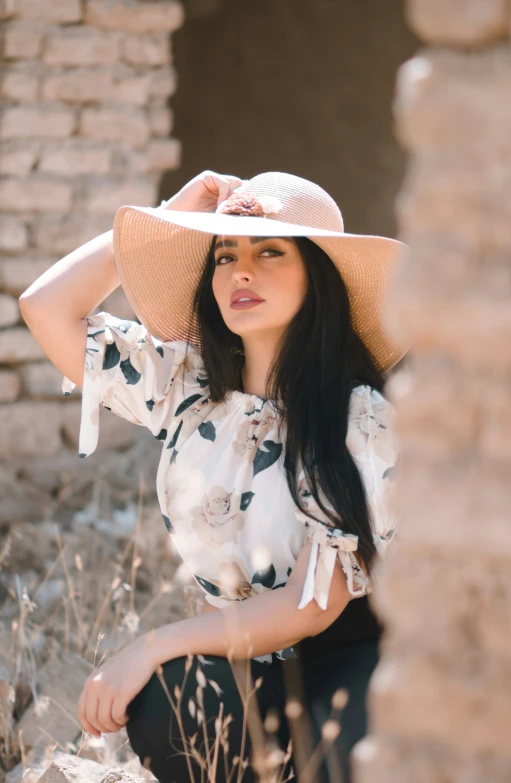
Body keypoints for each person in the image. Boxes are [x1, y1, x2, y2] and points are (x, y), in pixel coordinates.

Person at [19, 170, 410, 783]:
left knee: (344, 762)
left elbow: (311, 609)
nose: (240, 272)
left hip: (355, 655)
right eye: (225, 253)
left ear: (318, 275)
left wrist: (151, 643)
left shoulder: (359, 416)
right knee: (166, 701)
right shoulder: (183, 387)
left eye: (269, 251)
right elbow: (45, 307)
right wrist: (168, 217)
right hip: (244, 660)